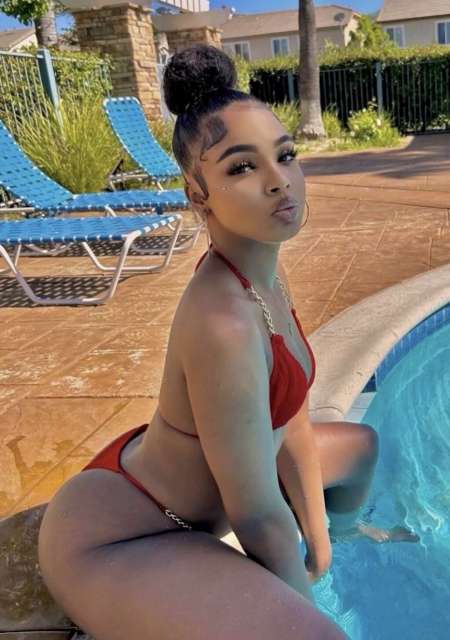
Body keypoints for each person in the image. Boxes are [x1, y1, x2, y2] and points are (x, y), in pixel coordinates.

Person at [38, 44, 416, 640]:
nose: (278, 181)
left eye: (284, 155)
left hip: (171, 480)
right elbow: (258, 515)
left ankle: (351, 535)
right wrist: (314, 610)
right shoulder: (223, 323)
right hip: (127, 532)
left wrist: (323, 548)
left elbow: (290, 415)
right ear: (198, 193)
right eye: (241, 168)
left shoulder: (263, 273)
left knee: (361, 448)